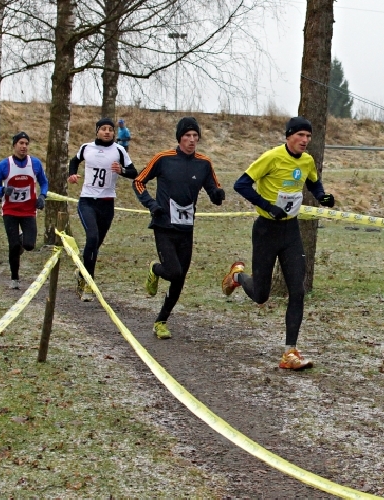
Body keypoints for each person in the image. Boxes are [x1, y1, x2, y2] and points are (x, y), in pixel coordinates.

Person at [221, 116, 336, 370]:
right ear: (288, 136)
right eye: (300, 136)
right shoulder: (271, 157)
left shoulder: (307, 161)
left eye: (308, 136)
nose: (305, 141)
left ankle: (289, 353)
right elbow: (241, 184)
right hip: (265, 231)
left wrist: (324, 197)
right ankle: (238, 277)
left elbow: (314, 184)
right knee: (262, 294)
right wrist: (268, 207)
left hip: (290, 232)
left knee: (298, 290)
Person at [133, 117, 224, 339]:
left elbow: (214, 190)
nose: (192, 140)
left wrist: (217, 195)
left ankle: (161, 321)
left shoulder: (204, 163)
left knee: (180, 278)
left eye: (195, 136)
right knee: (173, 271)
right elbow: (138, 182)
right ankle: (155, 269)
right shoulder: (163, 159)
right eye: (187, 136)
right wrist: (152, 205)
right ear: (179, 138)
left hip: (186, 228)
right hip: (164, 225)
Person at [68, 118, 138, 301]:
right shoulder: (86, 148)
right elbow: (73, 161)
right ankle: (89, 285)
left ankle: (82, 274)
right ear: (97, 131)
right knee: (92, 237)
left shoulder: (119, 150)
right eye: (103, 129)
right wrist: (72, 174)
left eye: (110, 130)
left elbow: (134, 173)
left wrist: (121, 170)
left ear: (114, 133)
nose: (107, 132)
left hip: (107, 203)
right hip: (87, 201)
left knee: (95, 244)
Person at [0, 132, 49, 289]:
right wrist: (2, 190)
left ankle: (21, 240)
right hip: (10, 211)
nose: (24, 146)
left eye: (26, 143)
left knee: (29, 245)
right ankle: (15, 278)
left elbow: (44, 182)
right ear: (14, 145)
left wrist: (42, 196)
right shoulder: (4, 165)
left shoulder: (34, 163)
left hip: (28, 211)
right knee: (13, 246)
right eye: (21, 143)